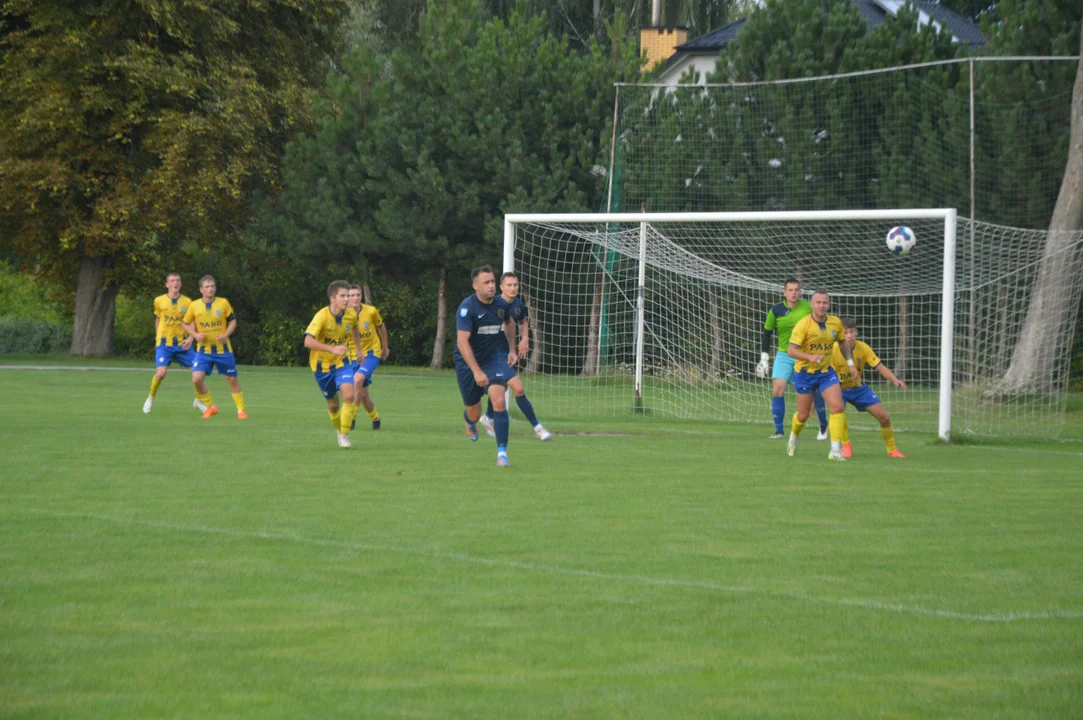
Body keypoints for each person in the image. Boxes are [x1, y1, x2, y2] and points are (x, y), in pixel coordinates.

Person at [454, 265, 518, 468]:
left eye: (492, 281)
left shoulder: (501, 305)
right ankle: (470, 422)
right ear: (476, 286)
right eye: (487, 283)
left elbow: (509, 323)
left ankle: (502, 454)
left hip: (493, 360)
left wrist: (512, 349)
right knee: (473, 411)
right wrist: (476, 371)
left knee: (499, 401)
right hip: (468, 363)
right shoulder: (467, 308)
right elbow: (462, 342)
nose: (492, 286)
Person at [479, 271, 552, 442]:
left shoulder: (518, 304)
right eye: (509, 285)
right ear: (501, 287)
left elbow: (522, 321)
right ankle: (538, 428)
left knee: (502, 388)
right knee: (518, 388)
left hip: (506, 353)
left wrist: (525, 339)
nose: (513, 288)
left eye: (515, 285)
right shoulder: (493, 305)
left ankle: (488, 417)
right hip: (494, 355)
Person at [785, 290, 853, 461]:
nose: (822, 306)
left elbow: (842, 342)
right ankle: (793, 437)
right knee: (803, 414)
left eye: (825, 302)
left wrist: (850, 364)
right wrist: (810, 357)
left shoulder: (835, 322)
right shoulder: (803, 325)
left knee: (837, 407)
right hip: (805, 373)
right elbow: (791, 350)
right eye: (818, 302)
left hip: (826, 373)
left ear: (828, 304)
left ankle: (835, 451)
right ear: (812, 305)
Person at [756, 278, 829, 440]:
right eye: (790, 290)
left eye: (796, 290)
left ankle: (823, 425)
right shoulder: (776, 310)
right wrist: (764, 358)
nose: (794, 293)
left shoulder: (808, 307)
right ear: (784, 293)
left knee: (815, 390)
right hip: (785, 354)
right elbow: (767, 333)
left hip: (806, 354)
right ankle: (779, 430)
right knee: (777, 389)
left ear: (800, 291)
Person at [831, 317, 908, 458]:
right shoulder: (834, 349)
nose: (848, 335)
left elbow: (880, 367)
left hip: (858, 388)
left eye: (851, 331)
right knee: (838, 413)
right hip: (838, 389)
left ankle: (892, 450)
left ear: (856, 333)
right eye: (845, 332)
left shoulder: (863, 347)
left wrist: (894, 379)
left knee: (884, 417)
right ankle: (846, 445)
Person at [304, 281, 363, 448]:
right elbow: (308, 341)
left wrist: (358, 351)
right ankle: (339, 430)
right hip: (321, 366)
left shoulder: (351, 315)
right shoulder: (322, 316)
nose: (347, 299)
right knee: (333, 404)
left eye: (348, 295)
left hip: (342, 362)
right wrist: (331, 348)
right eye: (343, 296)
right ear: (332, 299)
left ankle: (344, 434)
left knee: (349, 396)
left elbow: (355, 330)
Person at [182, 275, 247, 420]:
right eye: (207, 286)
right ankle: (210, 406)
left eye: (212, 286)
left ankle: (241, 411)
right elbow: (185, 323)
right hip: (203, 351)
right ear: (201, 289)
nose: (210, 289)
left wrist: (225, 335)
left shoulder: (223, 303)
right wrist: (195, 335)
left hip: (223, 350)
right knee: (196, 379)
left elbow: (233, 322)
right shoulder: (194, 305)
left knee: (232, 379)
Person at [143, 272, 206, 414]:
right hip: (165, 343)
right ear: (167, 284)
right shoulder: (159, 300)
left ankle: (198, 400)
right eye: (172, 281)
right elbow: (158, 319)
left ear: (180, 284)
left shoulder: (187, 302)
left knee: (199, 373)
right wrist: (158, 337)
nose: (175, 283)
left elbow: (192, 321)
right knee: (161, 373)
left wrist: (190, 338)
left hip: (182, 344)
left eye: (177, 280)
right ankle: (150, 398)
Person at [346, 284, 389, 431]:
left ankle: (351, 418)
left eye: (358, 295)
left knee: (357, 380)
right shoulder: (343, 314)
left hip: (372, 353)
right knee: (363, 394)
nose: (355, 298)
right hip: (352, 355)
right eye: (352, 295)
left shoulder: (371, 311)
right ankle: (375, 418)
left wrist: (385, 347)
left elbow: (381, 327)